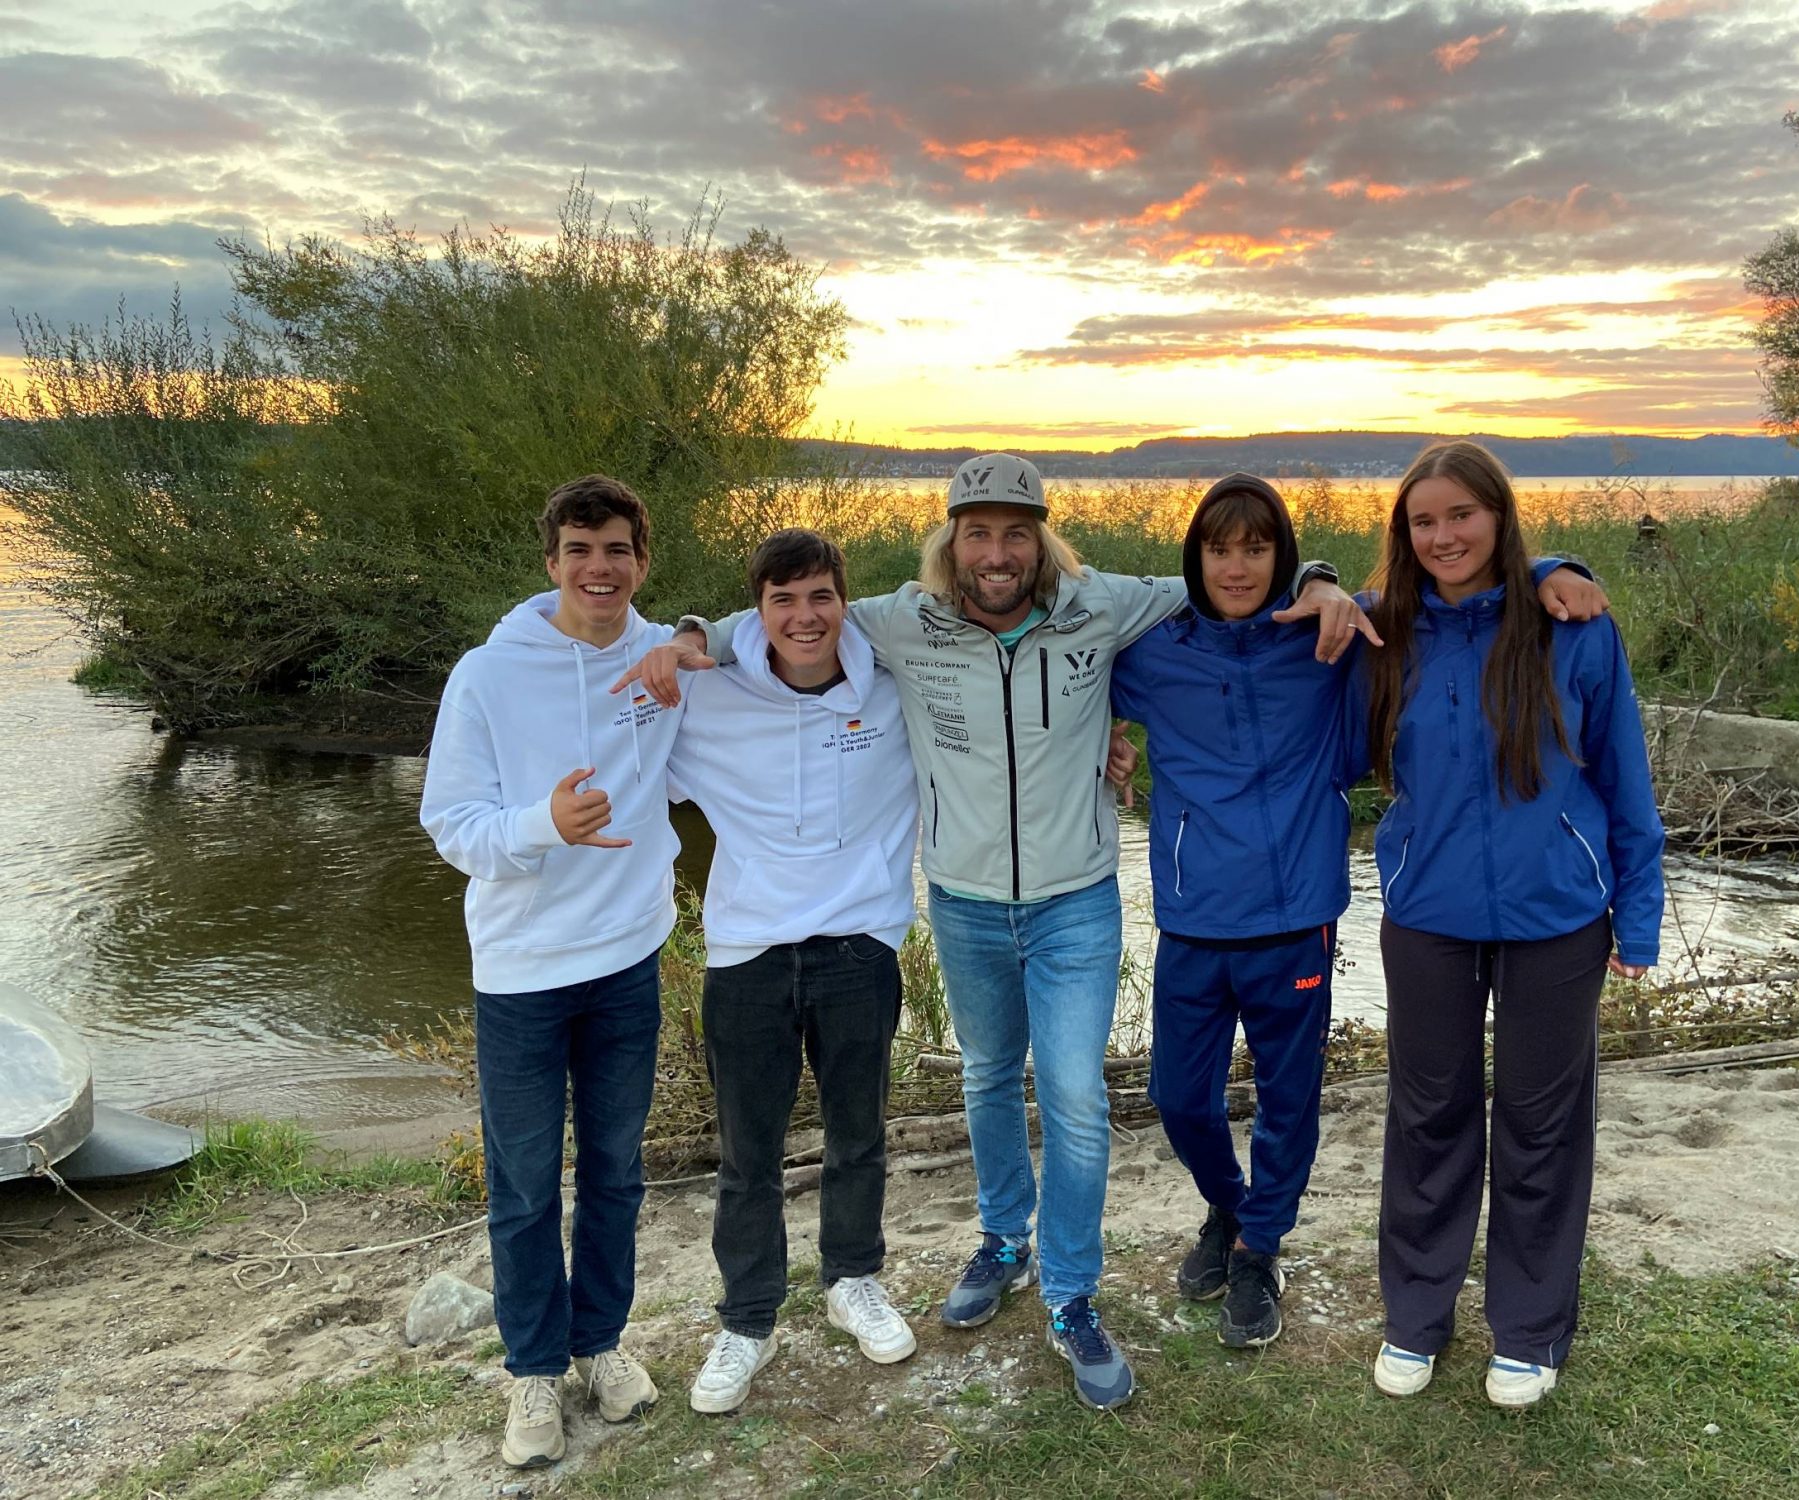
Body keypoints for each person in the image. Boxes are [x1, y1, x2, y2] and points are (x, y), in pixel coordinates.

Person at [616, 453, 1374, 1412]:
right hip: (967, 904)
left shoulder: (1101, 607)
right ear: (952, 541)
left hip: (1076, 902)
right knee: (984, 1077)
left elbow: (1216, 587)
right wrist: (689, 637)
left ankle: (1070, 1295)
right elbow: (792, 620)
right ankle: (1003, 1241)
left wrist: (1319, 578)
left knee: (1075, 1098)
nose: (998, 551)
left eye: (1017, 531)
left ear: (1041, 537)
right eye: (979, 531)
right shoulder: (903, 621)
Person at [1109, 474, 1604, 1351]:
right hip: (1192, 912)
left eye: (1257, 548)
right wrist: (1102, 746)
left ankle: (1261, 1248)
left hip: (1298, 912)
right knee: (1178, 1098)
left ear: (1283, 557)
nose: (1237, 565)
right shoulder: (1152, 653)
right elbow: (1065, 692)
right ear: (1195, 557)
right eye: (1220, 548)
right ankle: (1228, 1208)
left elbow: (1449, 600)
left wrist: (1548, 568)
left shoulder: (1332, 642)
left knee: (1288, 1098)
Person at [1355, 441, 1664, 1409]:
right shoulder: (1384, 632)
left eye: (1460, 515)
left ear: (1498, 516)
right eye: (1422, 521)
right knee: (1427, 1118)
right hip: (1426, 916)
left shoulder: (1573, 626)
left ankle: (1527, 1332)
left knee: (1540, 1125)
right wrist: (1322, 582)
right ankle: (1415, 1316)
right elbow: (1277, 613)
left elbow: (1622, 779)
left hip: (1557, 920)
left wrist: (1637, 916)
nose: (1442, 535)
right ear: (1403, 535)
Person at [418, 475, 679, 1468]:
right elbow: (450, 823)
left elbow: (774, 648)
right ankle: (532, 1373)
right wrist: (543, 825)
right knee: (525, 1187)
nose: (597, 568)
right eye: (578, 549)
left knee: (615, 1174)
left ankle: (599, 1346)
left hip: (626, 963)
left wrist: (691, 631)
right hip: (521, 972)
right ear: (551, 562)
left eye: (615, 548)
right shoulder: (486, 675)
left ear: (640, 561)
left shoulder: (663, 667)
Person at [663, 529, 922, 1415]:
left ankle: (853, 1280)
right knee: (748, 1155)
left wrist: (1103, 756)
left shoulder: (896, 691)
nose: (803, 618)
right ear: (759, 612)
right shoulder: (708, 695)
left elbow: (998, 742)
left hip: (860, 950)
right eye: (782, 601)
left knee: (860, 1135)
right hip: (747, 957)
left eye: (819, 597)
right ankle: (746, 1320)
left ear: (843, 602)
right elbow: (626, 760)